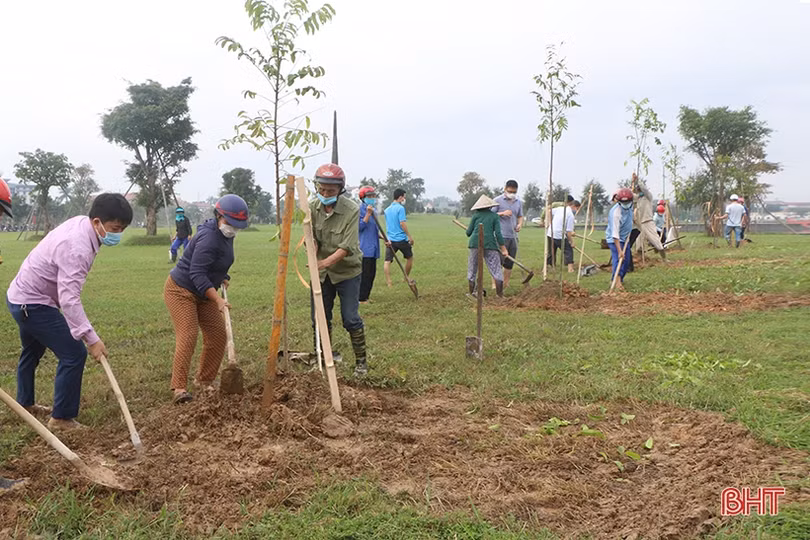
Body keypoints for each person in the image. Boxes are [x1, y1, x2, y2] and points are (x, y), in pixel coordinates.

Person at [7, 193, 133, 430]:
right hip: (32, 303)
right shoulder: (77, 247)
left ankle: (24, 404)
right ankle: (62, 418)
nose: (118, 234)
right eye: (115, 228)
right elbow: (69, 299)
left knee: (32, 350)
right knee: (74, 353)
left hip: (20, 295)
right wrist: (91, 339)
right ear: (97, 222)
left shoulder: (82, 224)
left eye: (123, 229)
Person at [164, 194, 248, 403]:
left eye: (237, 224)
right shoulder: (209, 238)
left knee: (218, 335)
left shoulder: (227, 234)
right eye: (230, 222)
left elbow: (219, 261)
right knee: (189, 334)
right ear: (219, 216)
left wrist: (223, 277)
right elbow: (197, 273)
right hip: (181, 290)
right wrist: (218, 300)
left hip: (204, 292)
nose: (233, 227)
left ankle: (204, 380)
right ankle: (179, 388)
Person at [309, 163, 368, 377]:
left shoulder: (352, 210)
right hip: (322, 275)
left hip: (347, 272)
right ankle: (325, 357)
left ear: (340, 189)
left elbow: (346, 247)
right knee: (319, 319)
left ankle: (361, 362)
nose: (325, 194)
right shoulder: (311, 207)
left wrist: (322, 263)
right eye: (321, 189)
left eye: (330, 191)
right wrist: (312, 247)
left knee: (350, 318)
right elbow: (311, 239)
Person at [465, 195, 509, 298]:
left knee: (472, 268)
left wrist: (470, 229)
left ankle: (471, 293)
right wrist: (503, 248)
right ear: (490, 207)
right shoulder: (494, 216)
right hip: (490, 244)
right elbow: (498, 234)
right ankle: (500, 295)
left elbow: (468, 233)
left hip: (475, 244)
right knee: (496, 269)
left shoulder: (475, 216)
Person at [491, 179, 524, 288]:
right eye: (510, 191)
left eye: (514, 192)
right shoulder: (497, 200)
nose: (512, 194)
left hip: (513, 236)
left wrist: (519, 224)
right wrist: (502, 213)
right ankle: (495, 283)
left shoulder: (518, 202)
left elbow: (520, 216)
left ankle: (506, 283)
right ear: (505, 189)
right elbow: (490, 216)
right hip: (501, 235)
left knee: (510, 263)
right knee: (498, 261)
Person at [357, 186, 384, 304]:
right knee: (365, 274)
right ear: (363, 198)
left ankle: (366, 296)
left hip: (373, 247)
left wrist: (383, 238)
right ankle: (361, 298)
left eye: (373, 196)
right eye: (369, 196)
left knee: (371, 274)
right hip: (364, 247)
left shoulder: (375, 211)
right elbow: (359, 227)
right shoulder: (359, 210)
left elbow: (373, 229)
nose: (372, 198)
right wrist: (367, 215)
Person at [605, 188, 635, 291]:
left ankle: (619, 278)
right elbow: (615, 234)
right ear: (619, 202)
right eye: (623, 202)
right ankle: (617, 282)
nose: (626, 204)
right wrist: (619, 250)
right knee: (619, 260)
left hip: (625, 237)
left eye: (628, 202)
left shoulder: (631, 205)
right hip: (615, 240)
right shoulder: (616, 213)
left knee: (626, 262)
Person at [383, 189, 414, 287]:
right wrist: (409, 236)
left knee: (387, 261)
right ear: (400, 197)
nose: (404, 198)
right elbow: (402, 223)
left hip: (390, 240)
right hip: (401, 239)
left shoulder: (387, 210)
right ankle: (405, 277)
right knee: (410, 258)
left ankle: (389, 282)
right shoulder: (400, 208)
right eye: (404, 197)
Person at [632, 178, 667, 262]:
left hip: (648, 222)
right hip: (641, 224)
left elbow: (644, 189)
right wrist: (633, 182)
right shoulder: (638, 198)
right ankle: (640, 257)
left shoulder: (648, 196)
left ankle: (664, 259)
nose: (638, 191)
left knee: (655, 240)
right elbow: (631, 195)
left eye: (639, 189)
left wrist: (637, 180)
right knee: (639, 241)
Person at [546, 198, 581, 273]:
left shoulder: (560, 209)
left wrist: (550, 224)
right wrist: (572, 242)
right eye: (577, 209)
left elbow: (549, 211)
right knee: (568, 250)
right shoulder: (570, 215)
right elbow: (568, 233)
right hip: (559, 235)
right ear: (574, 206)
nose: (577, 211)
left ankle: (548, 268)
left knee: (551, 251)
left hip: (550, 233)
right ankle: (570, 269)